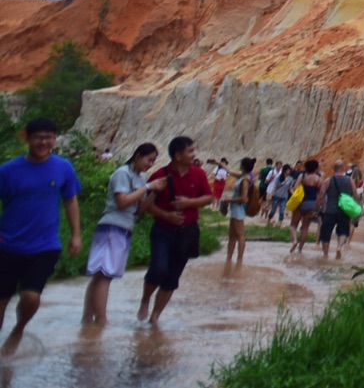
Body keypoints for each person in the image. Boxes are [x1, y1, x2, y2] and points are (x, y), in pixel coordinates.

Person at [0, 118, 83, 355]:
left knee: (31, 297)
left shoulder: (63, 167)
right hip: (7, 245)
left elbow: (70, 200)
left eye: (48, 137)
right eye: (38, 137)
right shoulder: (8, 171)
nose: (43, 142)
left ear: (54, 139)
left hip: (44, 246)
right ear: (27, 139)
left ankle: (18, 330)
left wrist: (76, 234)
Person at [136, 135, 214, 326]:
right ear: (177, 155)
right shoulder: (159, 176)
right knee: (158, 269)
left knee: (172, 277)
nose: (193, 154)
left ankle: (155, 317)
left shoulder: (199, 174)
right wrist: (166, 215)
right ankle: (145, 299)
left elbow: (208, 198)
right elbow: (146, 205)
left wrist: (189, 203)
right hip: (163, 230)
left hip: (187, 232)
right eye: (190, 151)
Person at [83, 141, 158, 326]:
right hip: (112, 226)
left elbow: (139, 209)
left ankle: (87, 320)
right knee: (105, 275)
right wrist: (148, 188)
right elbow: (123, 202)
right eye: (149, 160)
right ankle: (101, 320)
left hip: (123, 228)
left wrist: (154, 191)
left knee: (101, 275)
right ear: (138, 156)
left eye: (153, 162)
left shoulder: (140, 178)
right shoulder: (122, 174)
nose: (150, 164)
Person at [317, 160, 356, 260]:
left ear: (334, 169)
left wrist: (316, 208)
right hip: (344, 210)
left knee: (326, 233)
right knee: (343, 231)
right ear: (343, 169)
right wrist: (357, 208)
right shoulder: (350, 180)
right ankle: (339, 247)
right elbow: (355, 195)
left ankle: (325, 255)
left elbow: (321, 195)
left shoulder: (328, 180)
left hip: (330, 210)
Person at [223, 157, 257, 266]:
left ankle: (239, 260)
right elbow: (230, 171)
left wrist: (229, 200)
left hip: (238, 209)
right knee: (232, 235)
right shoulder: (242, 176)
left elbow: (243, 198)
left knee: (240, 235)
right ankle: (229, 259)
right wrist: (219, 163)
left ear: (242, 166)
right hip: (235, 208)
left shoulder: (245, 180)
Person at [288, 160, 322, 255]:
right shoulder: (318, 178)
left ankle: (294, 241)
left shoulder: (302, 176)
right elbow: (320, 193)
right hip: (312, 204)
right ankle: (300, 250)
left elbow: (295, 189)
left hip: (301, 203)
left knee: (293, 225)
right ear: (315, 168)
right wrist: (318, 207)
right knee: (305, 227)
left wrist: (291, 191)